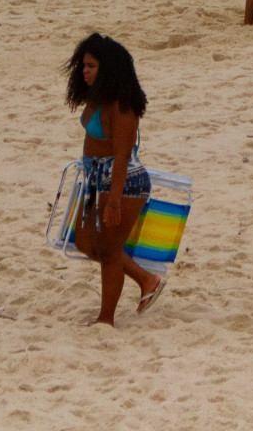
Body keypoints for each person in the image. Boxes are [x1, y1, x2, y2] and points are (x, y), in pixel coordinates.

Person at [64, 32, 163, 325]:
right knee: (84, 241)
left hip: (123, 183)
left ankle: (106, 319)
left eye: (91, 66)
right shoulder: (98, 98)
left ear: (107, 69)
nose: (84, 71)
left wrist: (115, 202)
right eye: (84, 65)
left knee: (107, 253)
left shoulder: (123, 106)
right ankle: (145, 279)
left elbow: (121, 157)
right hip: (97, 181)